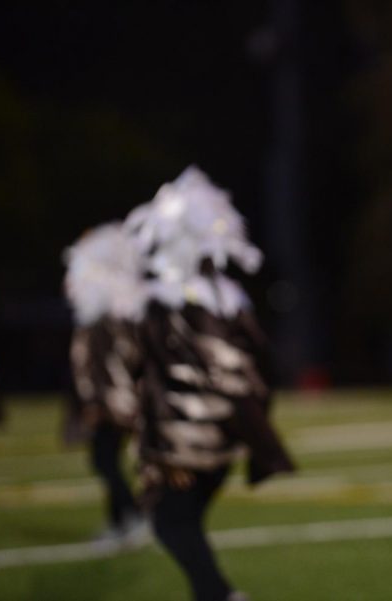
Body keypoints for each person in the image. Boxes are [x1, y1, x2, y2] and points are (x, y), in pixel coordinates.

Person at [125, 166, 294, 601]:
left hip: (184, 442)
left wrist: (163, 449)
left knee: (171, 523)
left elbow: (160, 377)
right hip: (225, 438)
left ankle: (220, 595)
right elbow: (260, 369)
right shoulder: (229, 300)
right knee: (185, 523)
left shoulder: (167, 303)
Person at [63, 223, 149, 542]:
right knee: (106, 458)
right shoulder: (119, 315)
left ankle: (134, 515)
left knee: (103, 459)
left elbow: (105, 368)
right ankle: (119, 521)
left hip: (112, 403)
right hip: (120, 400)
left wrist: (96, 403)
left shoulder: (105, 320)